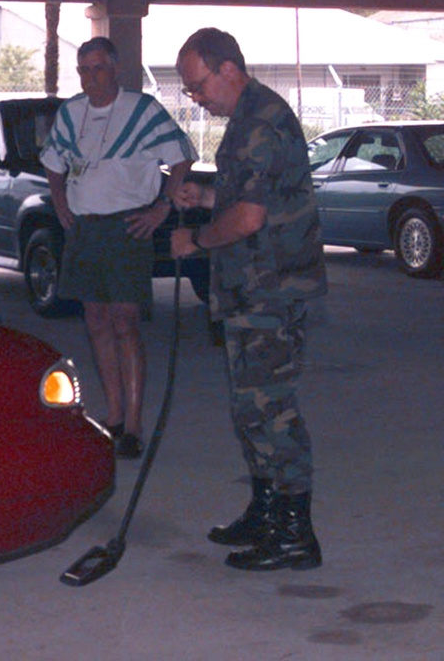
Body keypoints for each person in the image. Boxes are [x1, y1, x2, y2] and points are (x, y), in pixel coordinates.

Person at [171, 28, 327, 571]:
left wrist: (196, 239)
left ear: (228, 70)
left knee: (271, 410)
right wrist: (206, 196)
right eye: (189, 91)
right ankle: (265, 512)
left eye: (198, 86)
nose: (196, 98)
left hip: (271, 290)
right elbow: (254, 198)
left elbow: (250, 218)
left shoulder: (260, 122)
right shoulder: (246, 118)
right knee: (250, 408)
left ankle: (295, 533)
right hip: (251, 288)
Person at [40, 37, 196, 459]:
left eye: (98, 69)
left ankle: (133, 423)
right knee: (95, 319)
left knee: (125, 321)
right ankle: (112, 415)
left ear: (116, 70)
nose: (90, 78)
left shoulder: (143, 110)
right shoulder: (72, 112)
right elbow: (53, 163)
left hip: (127, 227)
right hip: (84, 228)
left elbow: (181, 157)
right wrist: (59, 201)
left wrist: (162, 206)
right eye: (84, 70)